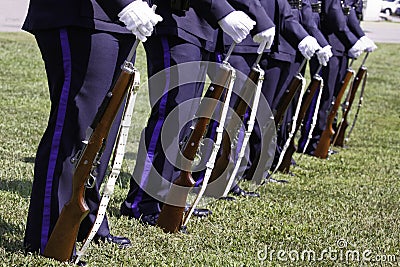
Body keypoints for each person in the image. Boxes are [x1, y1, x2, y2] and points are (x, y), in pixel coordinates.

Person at [22, 0, 162, 260]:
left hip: (119, 20)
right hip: (82, 13)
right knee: (75, 129)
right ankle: (50, 236)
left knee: (102, 133)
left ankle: (88, 224)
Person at [119, 0, 276, 225]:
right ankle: (142, 201)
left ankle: (166, 197)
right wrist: (223, 11)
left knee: (185, 119)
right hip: (177, 19)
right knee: (171, 115)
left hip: (200, 27)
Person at [297, 0, 376, 156]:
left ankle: (321, 139)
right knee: (322, 94)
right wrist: (352, 39)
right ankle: (310, 141)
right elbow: (333, 11)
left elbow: (346, 10)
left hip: (340, 42)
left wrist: (357, 37)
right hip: (328, 37)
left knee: (332, 96)